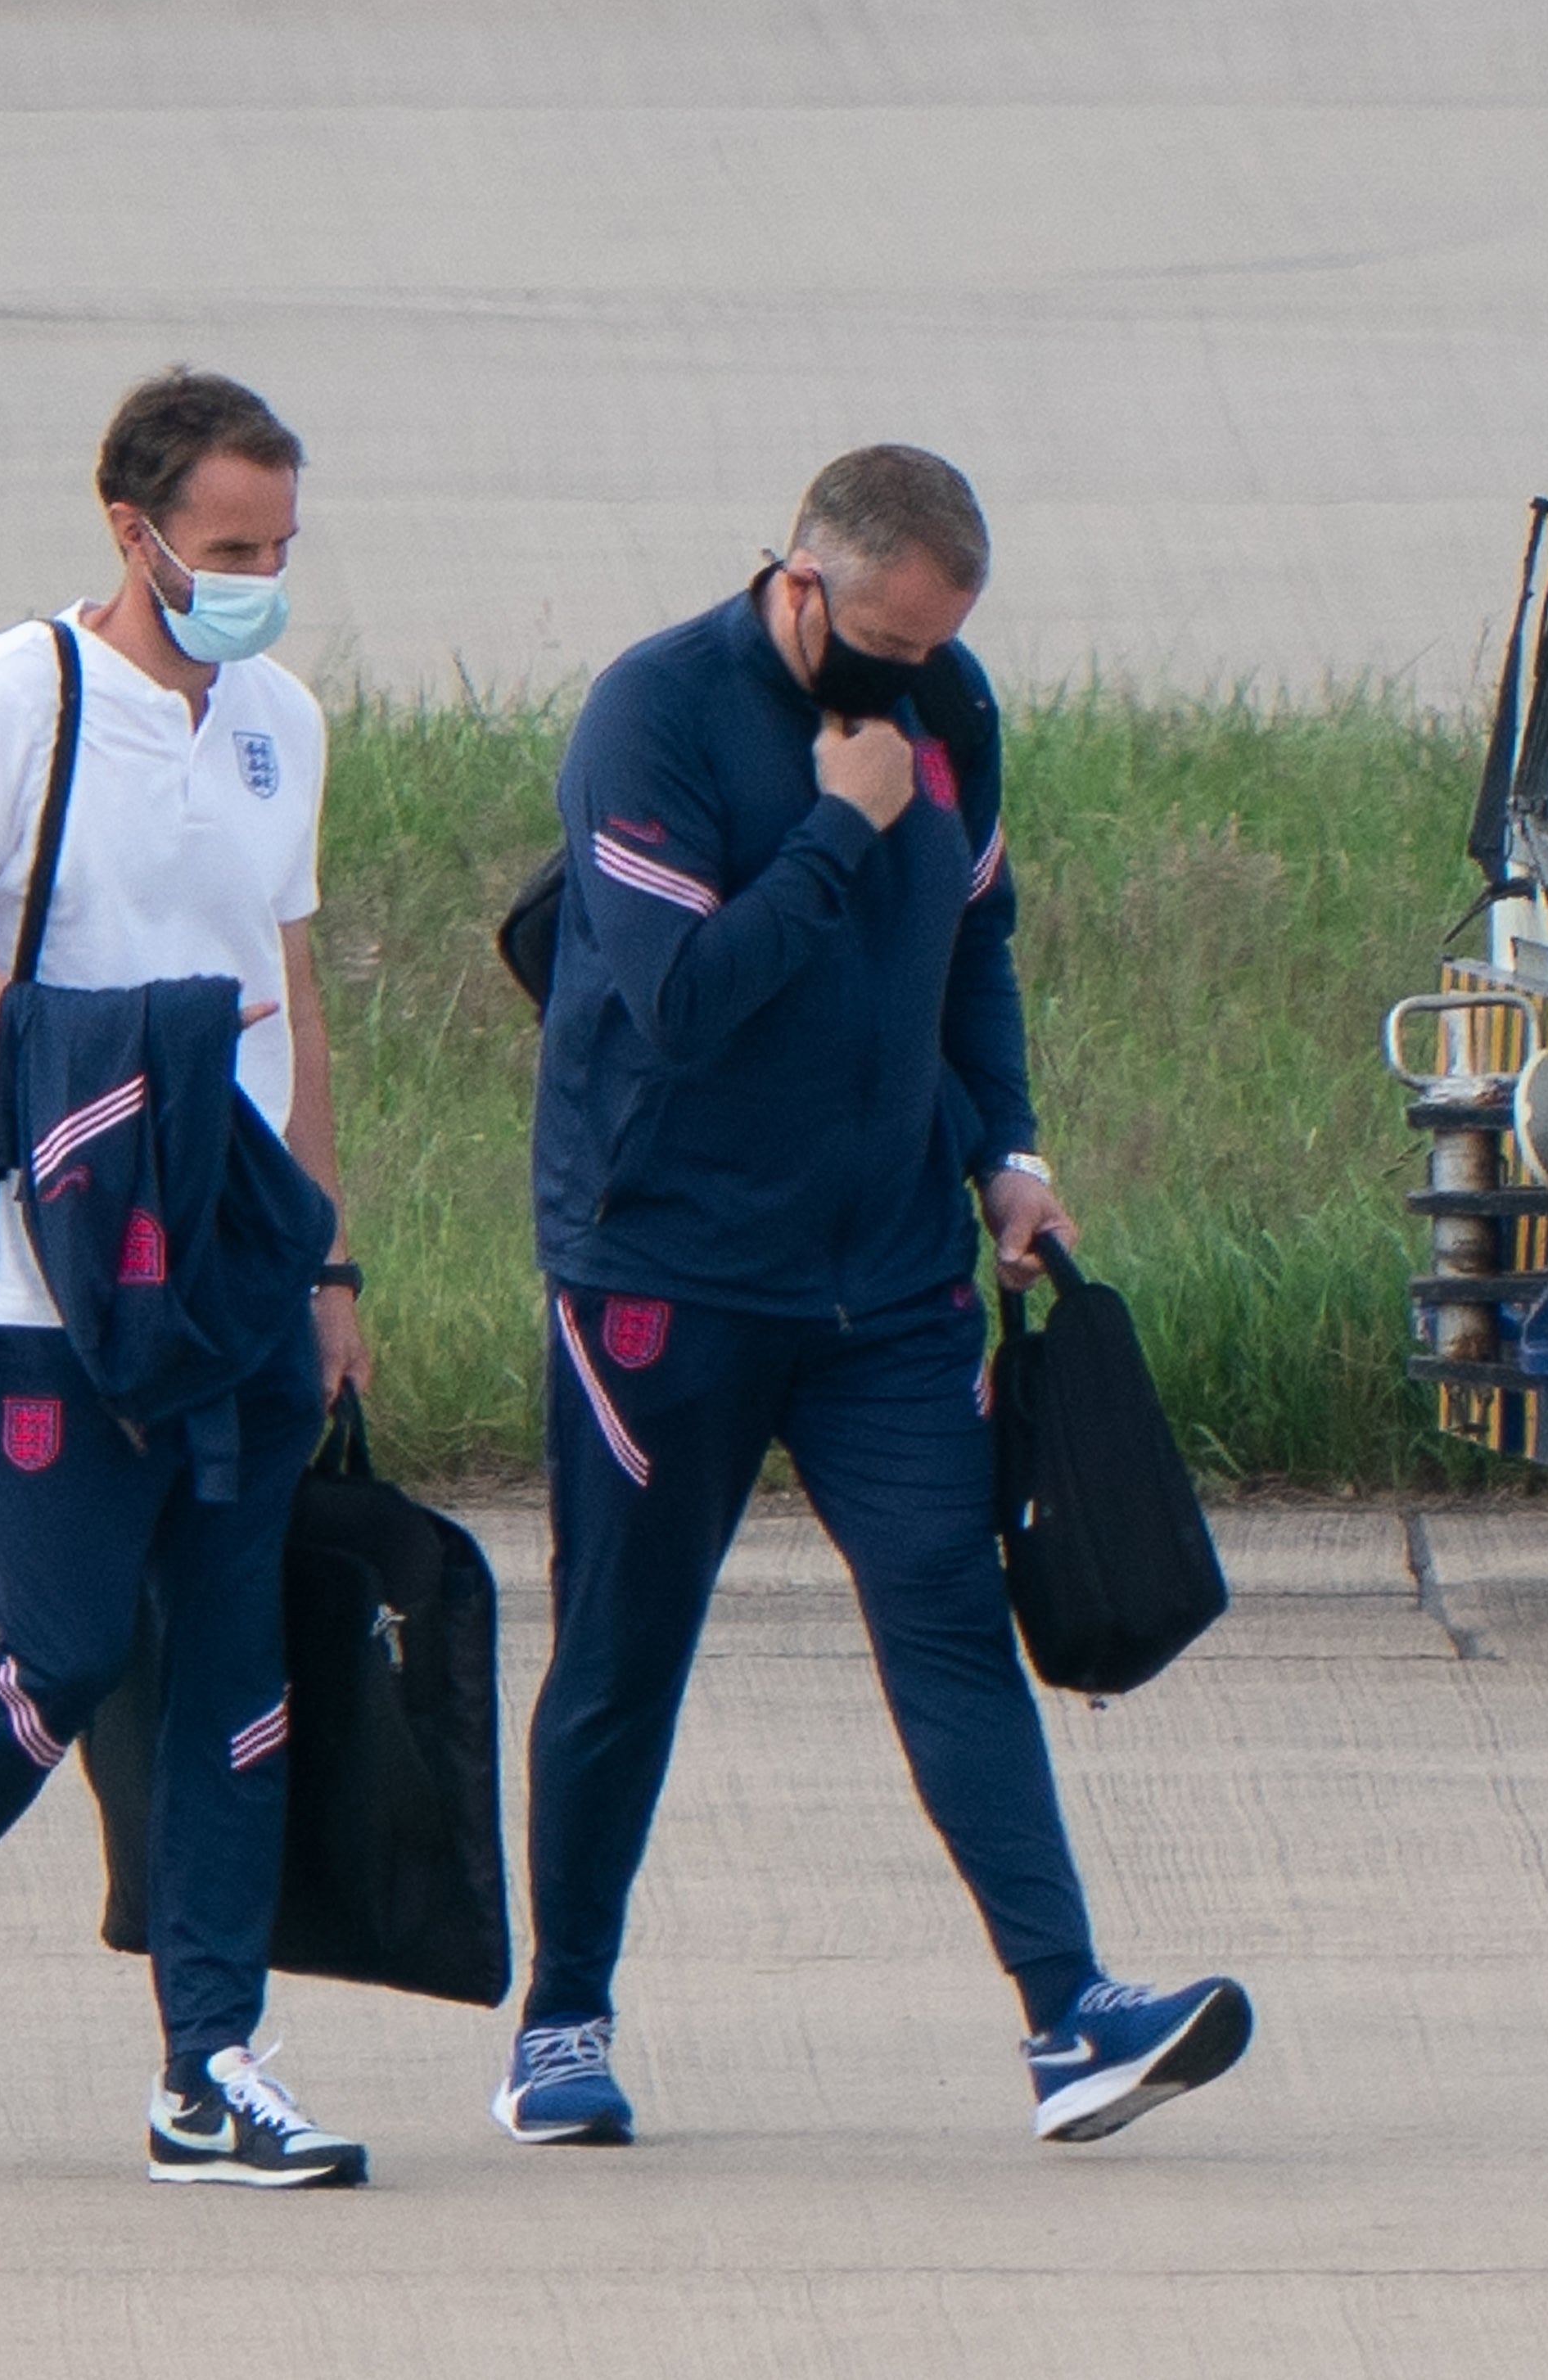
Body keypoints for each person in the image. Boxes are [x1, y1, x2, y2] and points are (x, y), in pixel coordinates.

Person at [499, 443, 1252, 2150]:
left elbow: (970, 951)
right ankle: (561, 2019)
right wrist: (841, 822)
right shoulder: (656, 715)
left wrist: (1007, 1146)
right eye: (889, 643)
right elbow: (684, 1000)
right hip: (665, 1271)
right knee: (625, 1650)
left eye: (937, 648)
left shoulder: (952, 706)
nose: (915, 677)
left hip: (889, 1279)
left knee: (946, 1612)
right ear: (803, 577)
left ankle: (1069, 2013)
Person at [0, 368, 376, 2188]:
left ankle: (212, 2062)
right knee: (63, 1653)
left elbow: (291, 1002)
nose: (258, 576)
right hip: (46, 1282)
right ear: (132, 531)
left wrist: (329, 1254)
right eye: (226, 546)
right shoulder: (11, 701)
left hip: (242, 1282)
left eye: (280, 545)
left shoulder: (283, 725)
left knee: (236, 1673)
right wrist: (91, 1052)